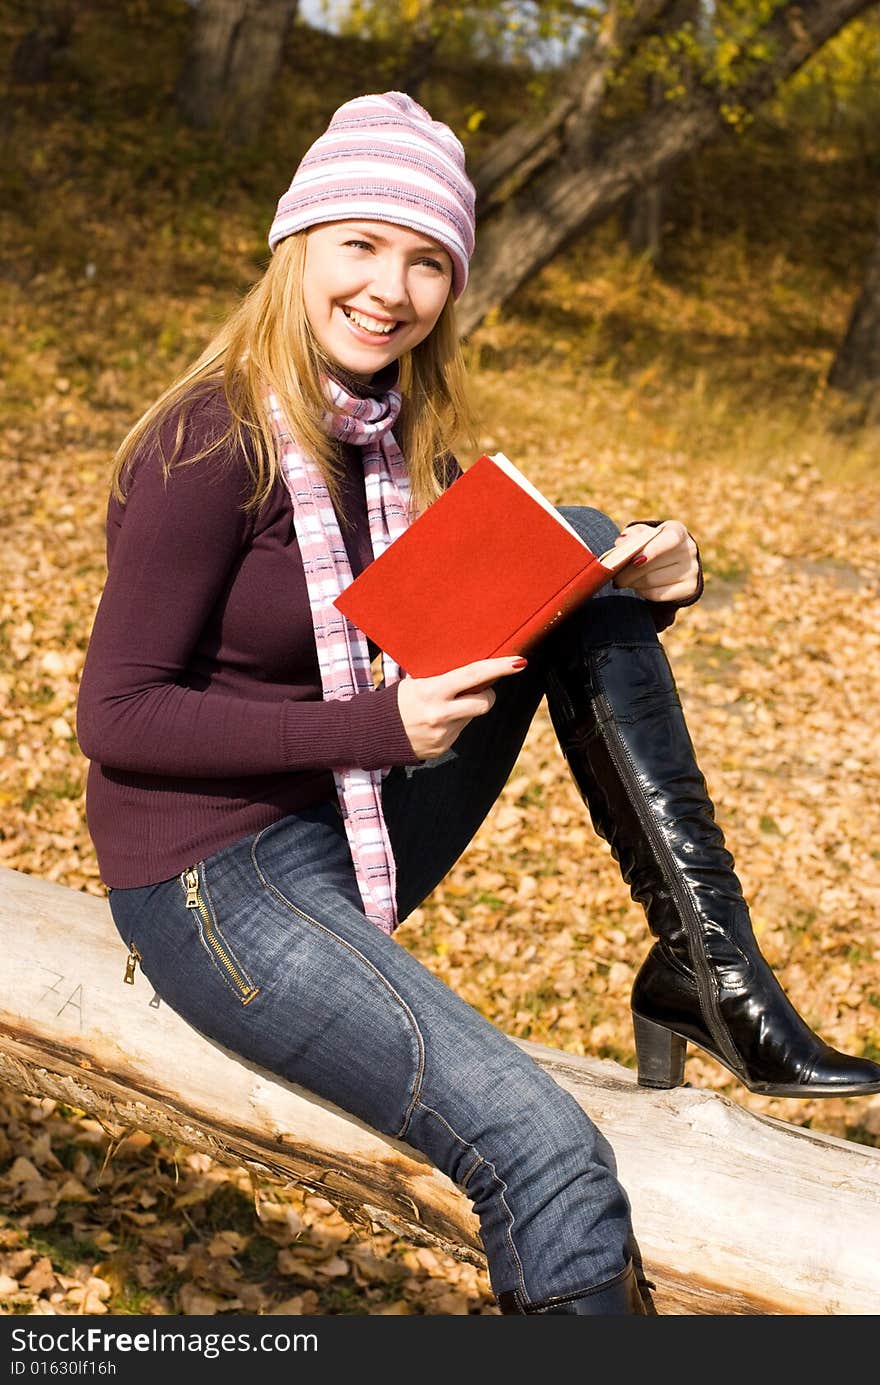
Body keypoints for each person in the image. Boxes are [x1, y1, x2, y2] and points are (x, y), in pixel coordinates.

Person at [76, 91, 880, 1318]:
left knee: (580, 545)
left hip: (344, 817)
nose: (389, 287)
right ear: (297, 249)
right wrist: (374, 729)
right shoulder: (212, 442)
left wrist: (656, 580)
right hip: (213, 880)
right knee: (549, 1158)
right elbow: (118, 718)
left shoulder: (390, 438)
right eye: (360, 244)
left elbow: (508, 611)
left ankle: (711, 969)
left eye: (426, 260)